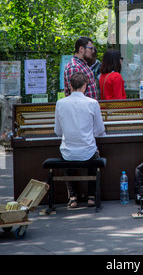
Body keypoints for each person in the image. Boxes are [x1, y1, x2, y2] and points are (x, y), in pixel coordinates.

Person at [54, 72, 106, 208]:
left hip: (68, 154)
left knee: (65, 153)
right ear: (85, 86)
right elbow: (100, 130)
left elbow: (57, 132)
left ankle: (73, 197)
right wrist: (88, 134)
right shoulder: (93, 103)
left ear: (70, 86)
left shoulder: (60, 103)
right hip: (88, 153)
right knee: (94, 153)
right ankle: (91, 196)